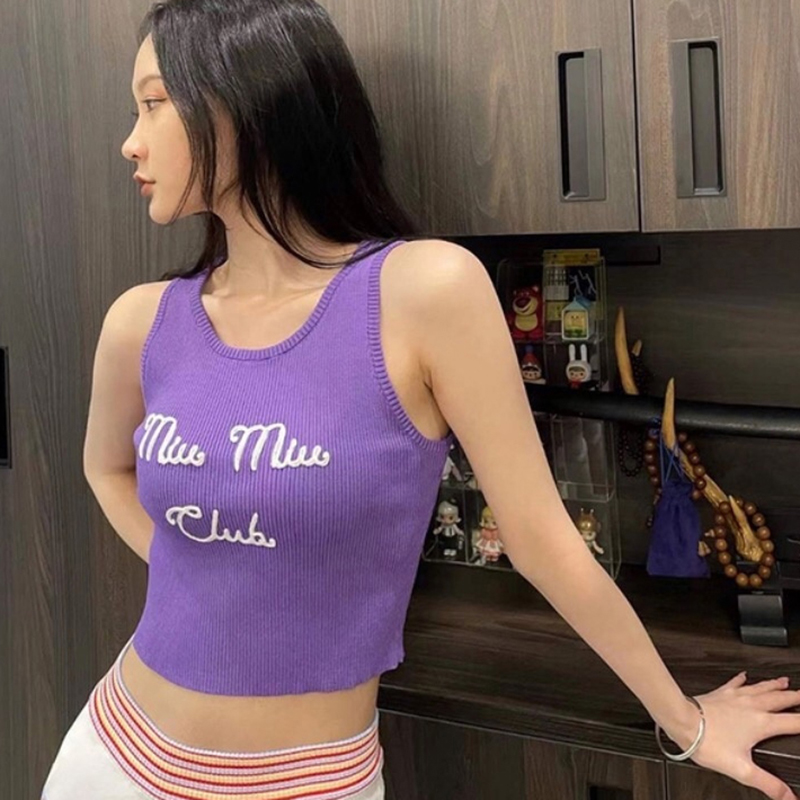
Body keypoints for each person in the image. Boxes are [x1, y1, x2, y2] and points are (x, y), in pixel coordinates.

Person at [41, 1, 800, 799]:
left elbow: (542, 540)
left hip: (310, 782)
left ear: (247, 103)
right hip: (113, 756)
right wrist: (207, 566)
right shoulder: (142, 322)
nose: (131, 140)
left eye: (154, 103)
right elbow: (106, 469)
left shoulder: (422, 292)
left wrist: (687, 721)